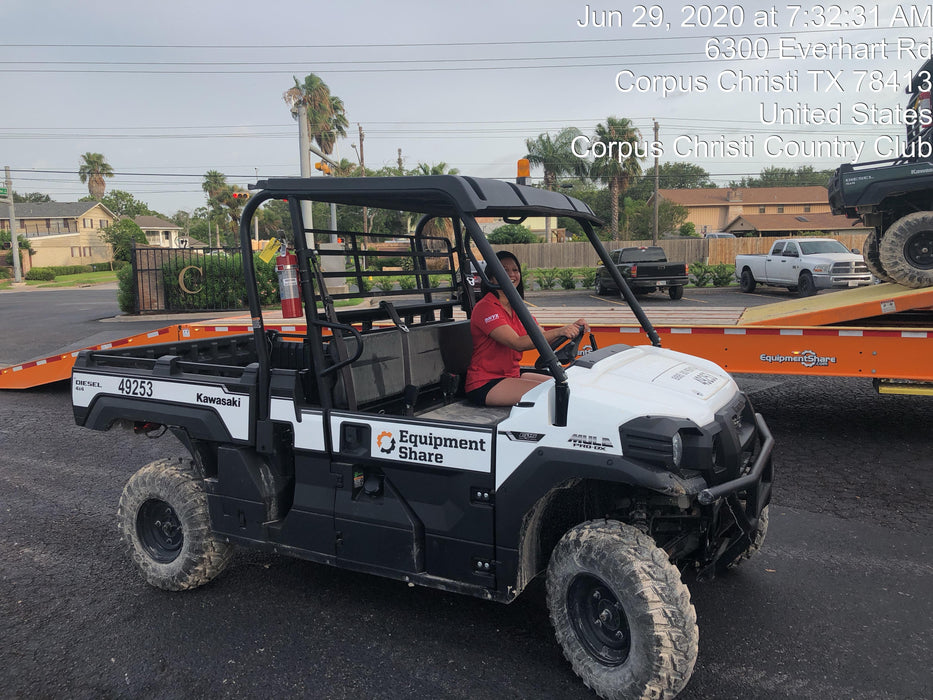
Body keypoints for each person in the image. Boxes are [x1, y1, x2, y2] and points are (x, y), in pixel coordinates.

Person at [465, 250, 589, 407]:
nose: (511, 274)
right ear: (491, 276)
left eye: (515, 270)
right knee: (557, 393)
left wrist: (574, 329)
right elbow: (517, 342)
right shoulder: (486, 308)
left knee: (571, 386)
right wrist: (560, 330)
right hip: (486, 382)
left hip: (512, 376)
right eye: (504, 270)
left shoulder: (517, 307)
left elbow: (543, 339)